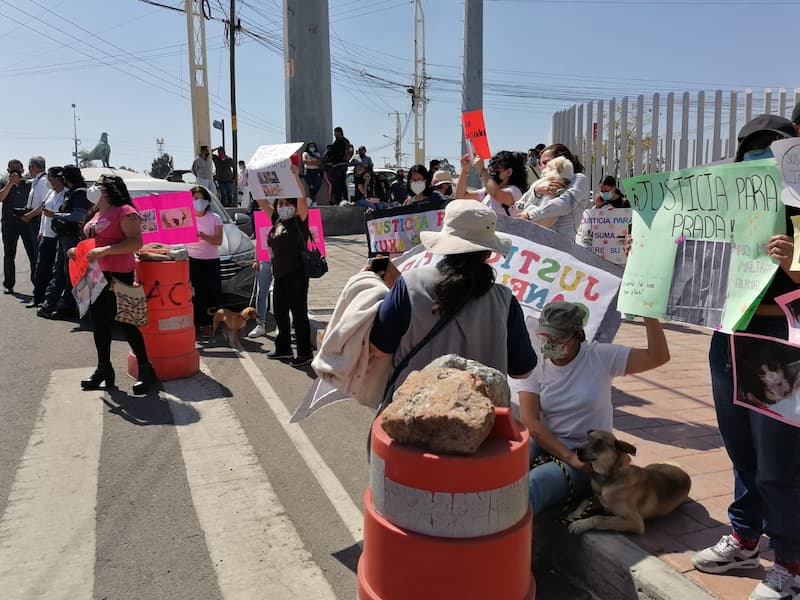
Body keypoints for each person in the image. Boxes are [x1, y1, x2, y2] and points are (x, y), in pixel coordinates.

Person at [692, 114, 800, 600]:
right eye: (752, 151)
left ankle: (791, 563)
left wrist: (793, 263)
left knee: (779, 460)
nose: (761, 160)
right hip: (728, 333)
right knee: (741, 448)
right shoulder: (723, 200)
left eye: (771, 150)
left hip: (779, 340)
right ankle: (744, 535)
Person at [369, 200, 536, 395]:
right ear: (489, 251)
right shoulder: (505, 301)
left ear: (445, 243)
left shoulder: (410, 284)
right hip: (480, 418)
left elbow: (379, 350)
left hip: (410, 412)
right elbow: (523, 371)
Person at [518, 302, 669, 514]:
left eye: (559, 338)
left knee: (532, 487)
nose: (551, 343)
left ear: (577, 335)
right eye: (546, 336)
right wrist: (567, 456)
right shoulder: (535, 365)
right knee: (503, 474)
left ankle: (513, 544)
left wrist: (649, 314)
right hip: (549, 444)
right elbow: (530, 421)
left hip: (588, 457)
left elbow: (658, 356)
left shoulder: (599, 357)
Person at [74, 174, 157, 395]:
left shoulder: (125, 212)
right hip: (95, 274)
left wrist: (106, 250)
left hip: (119, 273)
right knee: (99, 323)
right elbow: (93, 239)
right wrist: (79, 250)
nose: (93, 188)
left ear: (109, 189)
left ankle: (145, 369)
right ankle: (104, 369)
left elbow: (136, 242)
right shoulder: (96, 212)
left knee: (127, 322)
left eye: (98, 184)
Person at [266, 163, 313, 367]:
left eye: (288, 203)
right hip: (280, 275)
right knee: (280, 313)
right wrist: (252, 181)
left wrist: (294, 177)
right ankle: (283, 348)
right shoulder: (277, 221)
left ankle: (304, 352)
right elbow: (261, 200)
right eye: (281, 203)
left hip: (296, 274)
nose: (283, 206)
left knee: (299, 314)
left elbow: (302, 199)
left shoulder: (299, 221)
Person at [38, 165, 90, 319]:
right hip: (65, 237)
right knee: (60, 272)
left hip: (72, 238)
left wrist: (56, 215)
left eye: (62, 177)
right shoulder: (73, 192)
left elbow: (78, 216)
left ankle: (66, 307)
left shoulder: (79, 193)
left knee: (69, 274)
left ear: (67, 178)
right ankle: (53, 304)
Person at [515, 144, 590, 238]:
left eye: (546, 162)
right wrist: (536, 192)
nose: (542, 167)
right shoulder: (539, 183)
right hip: (536, 240)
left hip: (561, 244)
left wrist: (530, 215)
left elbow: (564, 204)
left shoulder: (578, 179)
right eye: (540, 163)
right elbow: (520, 208)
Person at [186, 186, 224, 334]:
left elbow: (219, 240)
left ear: (207, 201)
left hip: (212, 260)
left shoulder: (215, 218)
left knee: (213, 292)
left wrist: (204, 236)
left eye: (202, 198)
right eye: (195, 198)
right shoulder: (186, 217)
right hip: (193, 260)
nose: (199, 202)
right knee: (198, 294)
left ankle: (212, 323)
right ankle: (198, 324)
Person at [30, 166, 66, 309]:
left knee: (55, 271)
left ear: (59, 179)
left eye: (52, 179)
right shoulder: (50, 192)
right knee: (41, 268)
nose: (49, 181)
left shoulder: (66, 195)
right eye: (49, 179)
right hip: (45, 236)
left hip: (57, 237)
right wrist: (40, 231)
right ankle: (37, 297)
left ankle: (51, 299)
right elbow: (44, 213)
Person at [455, 150, 528, 217]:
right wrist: (464, 170)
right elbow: (461, 196)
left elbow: (496, 194)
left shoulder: (515, 191)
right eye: (491, 168)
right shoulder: (487, 192)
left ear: (509, 172)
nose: (491, 172)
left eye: (496, 169)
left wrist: (482, 170)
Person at [0, 159, 34, 294]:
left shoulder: (29, 184)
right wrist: (10, 183)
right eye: (12, 168)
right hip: (9, 222)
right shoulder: (4, 183)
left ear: (22, 170)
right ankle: (9, 284)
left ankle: (37, 284)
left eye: (18, 168)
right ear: (8, 170)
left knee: (33, 253)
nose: (16, 171)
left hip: (26, 221)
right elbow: (1, 198)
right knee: (9, 254)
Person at [248, 199, 274, 339]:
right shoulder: (261, 218)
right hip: (264, 260)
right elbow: (259, 240)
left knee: (278, 294)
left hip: (281, 261)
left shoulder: (284, 218)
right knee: (261, 293)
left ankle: (283, 325)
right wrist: (256, 259)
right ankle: (260, 324)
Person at [20, 156, 48, 278]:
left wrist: (29, 215)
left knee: (40, 255)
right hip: (34, 220)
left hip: (38, 221)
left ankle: (42, 285)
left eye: (30, 167)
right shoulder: (37, 180)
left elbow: (44, 205)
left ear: (33, 167)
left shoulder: (43, 181)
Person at [326, 127, 351, 206]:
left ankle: (344, 200)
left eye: (336, 132)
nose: (335, 134)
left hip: (341, 164)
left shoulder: (344, 141)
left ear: (340, 132)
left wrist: (346, 160)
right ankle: (338, 201)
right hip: (335, 165)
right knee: (337, 184)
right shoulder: (336, 141)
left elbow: (349, 151)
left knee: (341, 183)